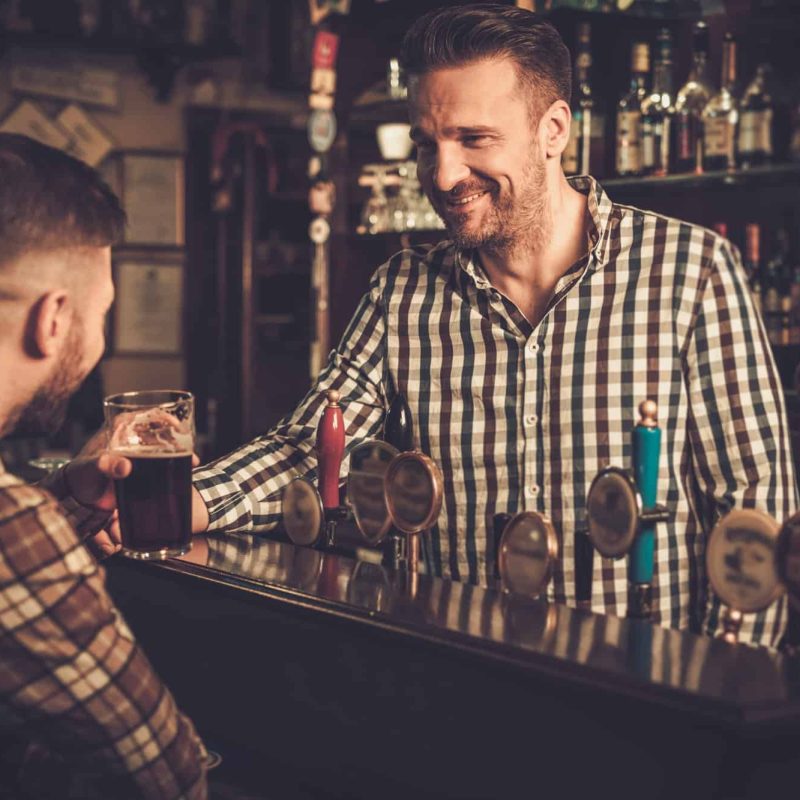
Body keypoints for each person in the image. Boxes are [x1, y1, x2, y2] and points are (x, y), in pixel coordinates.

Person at [192, 4, 796, 648]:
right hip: (462, 687)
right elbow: (311, 451)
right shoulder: (403, 290)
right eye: (427, 144)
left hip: (644, 693)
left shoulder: (691, 270)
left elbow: (754, 513)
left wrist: (720, 699)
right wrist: (183, 501)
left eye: (473, 139)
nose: (444, 175)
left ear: (553, 129)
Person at [0, 133, 207, 798]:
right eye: (103, 313)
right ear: (54, 320)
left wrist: (65, 497)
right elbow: (167, 775)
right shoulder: (17, 536)